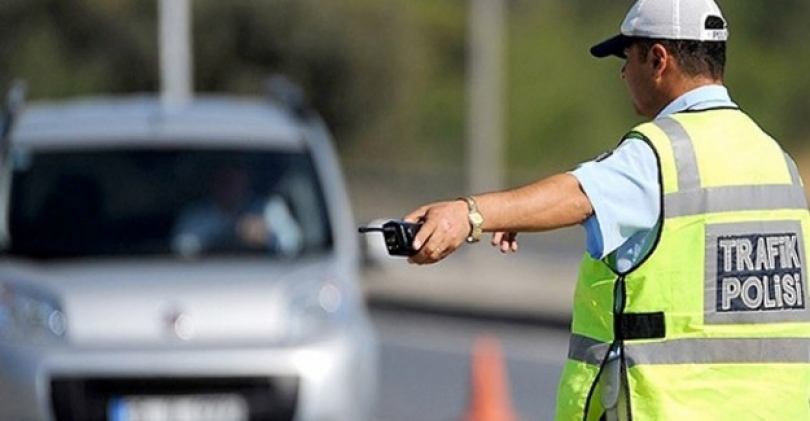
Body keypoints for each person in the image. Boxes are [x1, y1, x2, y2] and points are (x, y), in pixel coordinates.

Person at [402, 0, 810, 419]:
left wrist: (468, 214)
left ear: (657, 60)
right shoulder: (776, 160)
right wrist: (519, 216)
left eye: (626, 56)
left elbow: (577, 195)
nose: (622, 73)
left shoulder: (662, 152)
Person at [172, 163, 303, 258]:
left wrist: (266, 236)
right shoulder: (197, 216)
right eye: (225, 180)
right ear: (214, 183)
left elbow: (293, 244)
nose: (230, 187)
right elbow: (182, 249)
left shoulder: (269, 209)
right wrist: (229, 237)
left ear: (246, 182)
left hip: (261, 282)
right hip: (208, 282)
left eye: (235, 180)